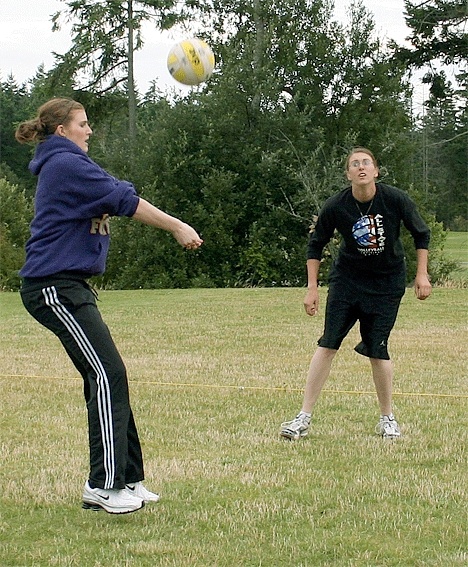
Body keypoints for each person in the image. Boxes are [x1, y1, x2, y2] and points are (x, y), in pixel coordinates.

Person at [15, 97, 203, 514]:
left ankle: (129, 479)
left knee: (109, 373)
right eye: (83, 124)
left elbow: (117, 191)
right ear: (62, 130)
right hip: (52, 287)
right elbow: (126, 201)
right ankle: (103, 486)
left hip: (70, 285)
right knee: (106, 374)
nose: (90, 130)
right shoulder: (64, 164)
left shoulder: (73, 162)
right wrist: (177, 225)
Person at [280, 147, 432, 441]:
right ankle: (303, 417)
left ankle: (387, 418)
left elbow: (421, 233)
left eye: (366, 163)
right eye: (355, 164)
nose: (361, 168)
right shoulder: (337, 205)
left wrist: (421, 274)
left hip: (386, 283)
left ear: (376, 171)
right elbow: (316, 245)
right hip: (347, 282)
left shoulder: (395, 199)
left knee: (378, 348)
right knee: (328, 343)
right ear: (348, 174)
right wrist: (312, 289)